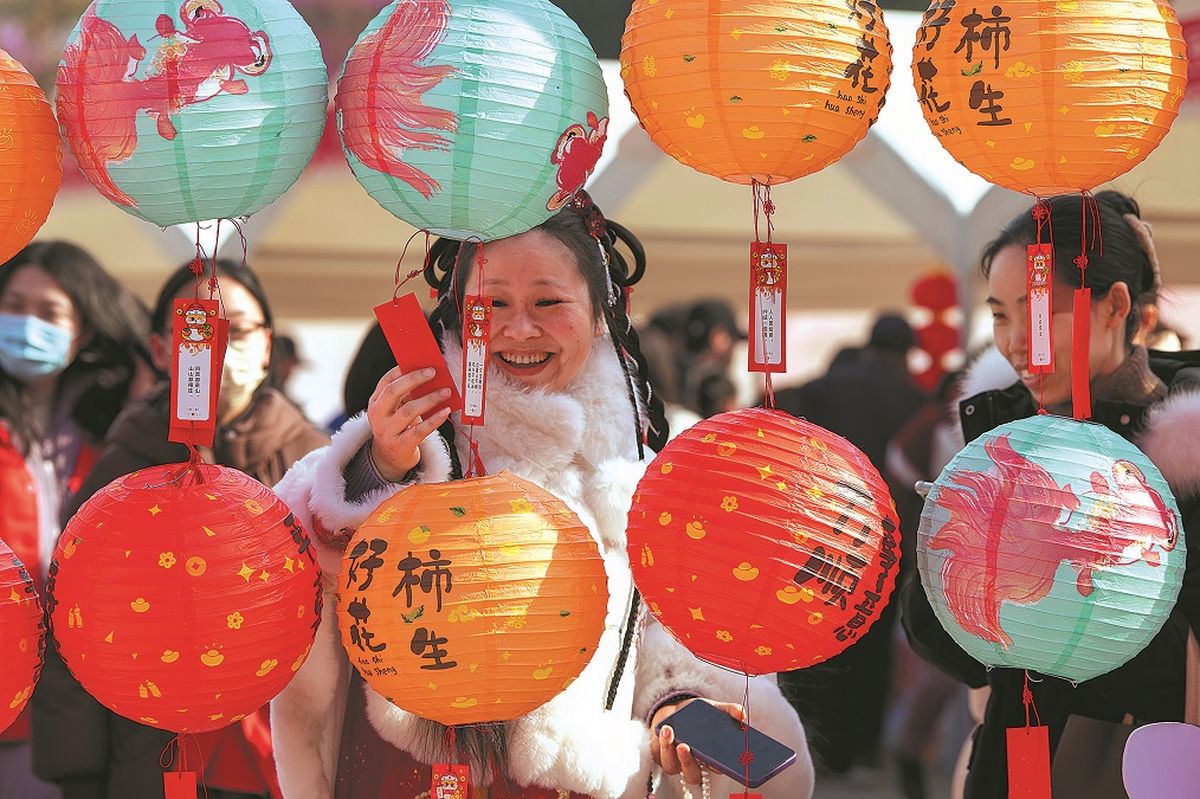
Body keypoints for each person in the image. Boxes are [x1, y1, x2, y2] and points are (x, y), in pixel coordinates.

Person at [270, 195, 814, 798]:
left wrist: (676, 700)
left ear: (600, 309)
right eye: (493, 303)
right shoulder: (413, 432)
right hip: (413, 774)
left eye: (549, 302)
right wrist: (383, 465)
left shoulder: (637, 462)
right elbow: (308, 560)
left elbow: (660, 625)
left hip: (582, 781)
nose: (519, 328)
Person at [901, 190, 1200, 799]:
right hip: (1012, 760)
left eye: (1037, 311)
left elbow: (1174, 662)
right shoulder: (997, 438)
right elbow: (943, 639)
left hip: (1143, 761)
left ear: (1115, 305)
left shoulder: (1185, 446)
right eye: (1001, 314)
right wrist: (947, 571)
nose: (1015, 342)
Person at [31, 258, 329, 799]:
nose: (216, 348)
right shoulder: (124, 468)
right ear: (159, 350)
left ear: (266, 345)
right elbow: (70, 614)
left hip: (283, 758)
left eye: (235, 330)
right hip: (151, 754)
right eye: (196, 331)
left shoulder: (315, 463)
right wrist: (77, 770)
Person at [0, 241, 150, 799]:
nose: (24, 324)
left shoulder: (112, 429)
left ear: (83, 331)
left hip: (79, 689)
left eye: (49, 313)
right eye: (12, 305)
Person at [774, 313, 929, 779]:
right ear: (904, 355)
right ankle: (859, 751)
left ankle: (811, 746)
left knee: (811, 645)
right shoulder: (912, 398)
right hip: (881, 544)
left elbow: (775, 407)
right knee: (872, 648)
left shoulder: (825, 387)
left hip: (815, 538)